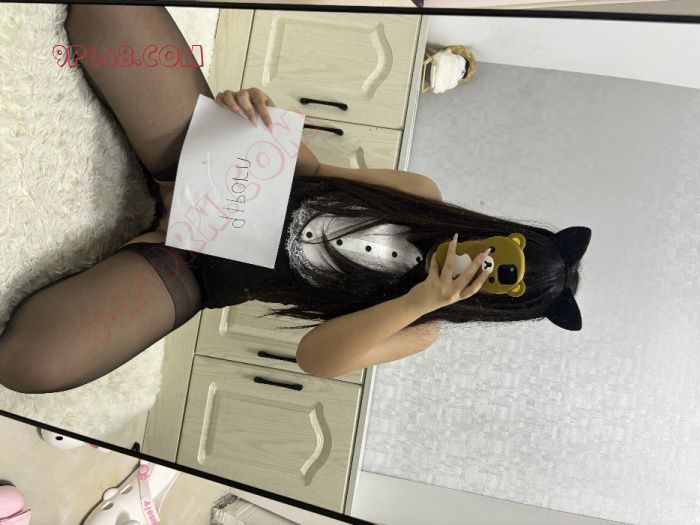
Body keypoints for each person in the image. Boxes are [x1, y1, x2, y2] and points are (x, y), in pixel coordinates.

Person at [0, 5, 590, 394]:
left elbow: (317, 357)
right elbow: (316, 173)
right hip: (213, 168)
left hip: (196, 267)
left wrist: (421, 300)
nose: (481, 265)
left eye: (497, 280)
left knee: (28, 366)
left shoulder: (420, 329)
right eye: (500, 252)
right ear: (499, 231)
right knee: (111, 12)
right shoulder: (421, 195)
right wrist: (262, 118)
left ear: (494, 305)